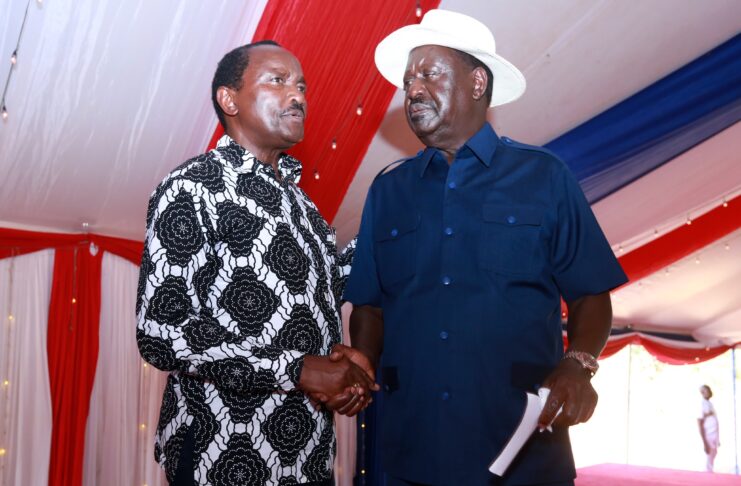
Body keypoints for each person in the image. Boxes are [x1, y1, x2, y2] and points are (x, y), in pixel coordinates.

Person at [342, 10, 628, 486]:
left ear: (477, 83)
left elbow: (591, 294)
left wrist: (578, 364)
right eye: (408, 80)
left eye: (429, 74)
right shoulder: (387, 191)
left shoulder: (544, 177)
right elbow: (369, 304)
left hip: (522, 457)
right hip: (408, 456)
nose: (412, 90)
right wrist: (364, 359)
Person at [136, 40, 376, 486]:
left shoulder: (302, 205)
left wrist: (388, 221)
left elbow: (324, 292)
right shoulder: (192, 188)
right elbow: (161, 331)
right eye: (278, 80)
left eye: (302, 85)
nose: (298, 95)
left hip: (307, 456)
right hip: (220, 454)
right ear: (229, 99)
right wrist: (300, 369)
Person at [698, 384, 720, 472]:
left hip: (713, 434)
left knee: (713, 455)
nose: (709, 392)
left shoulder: (709, 403)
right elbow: (699, 422)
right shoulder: (701, 404)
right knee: (707, 457)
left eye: (709, 390)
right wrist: (704, 442)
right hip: (707, 435)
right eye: (706, 390)